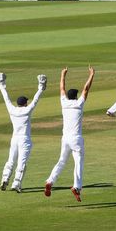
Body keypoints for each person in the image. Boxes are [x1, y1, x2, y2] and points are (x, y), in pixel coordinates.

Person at [44, 66, 96, 202]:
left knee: (61, 161)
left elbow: (61, 88)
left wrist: (63, 74)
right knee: (78, 161)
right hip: (76, 139)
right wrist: (92, 74)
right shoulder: (79, 103)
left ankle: (50, 181)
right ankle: (77, 187)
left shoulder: (64, 102)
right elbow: (86, 89)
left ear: (68, 95)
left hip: (65, 138)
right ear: (76, 96)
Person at [0, 72, 46, 193]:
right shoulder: (27, 110)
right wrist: (41, 87)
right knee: (21, 162)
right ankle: (16, 183)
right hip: (25, 140)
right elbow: (35, 100)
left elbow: (6, 98)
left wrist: (1, 84)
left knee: (10, 160)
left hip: (14, 139)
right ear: (25, 103)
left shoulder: (12, 109)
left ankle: (5, 178)